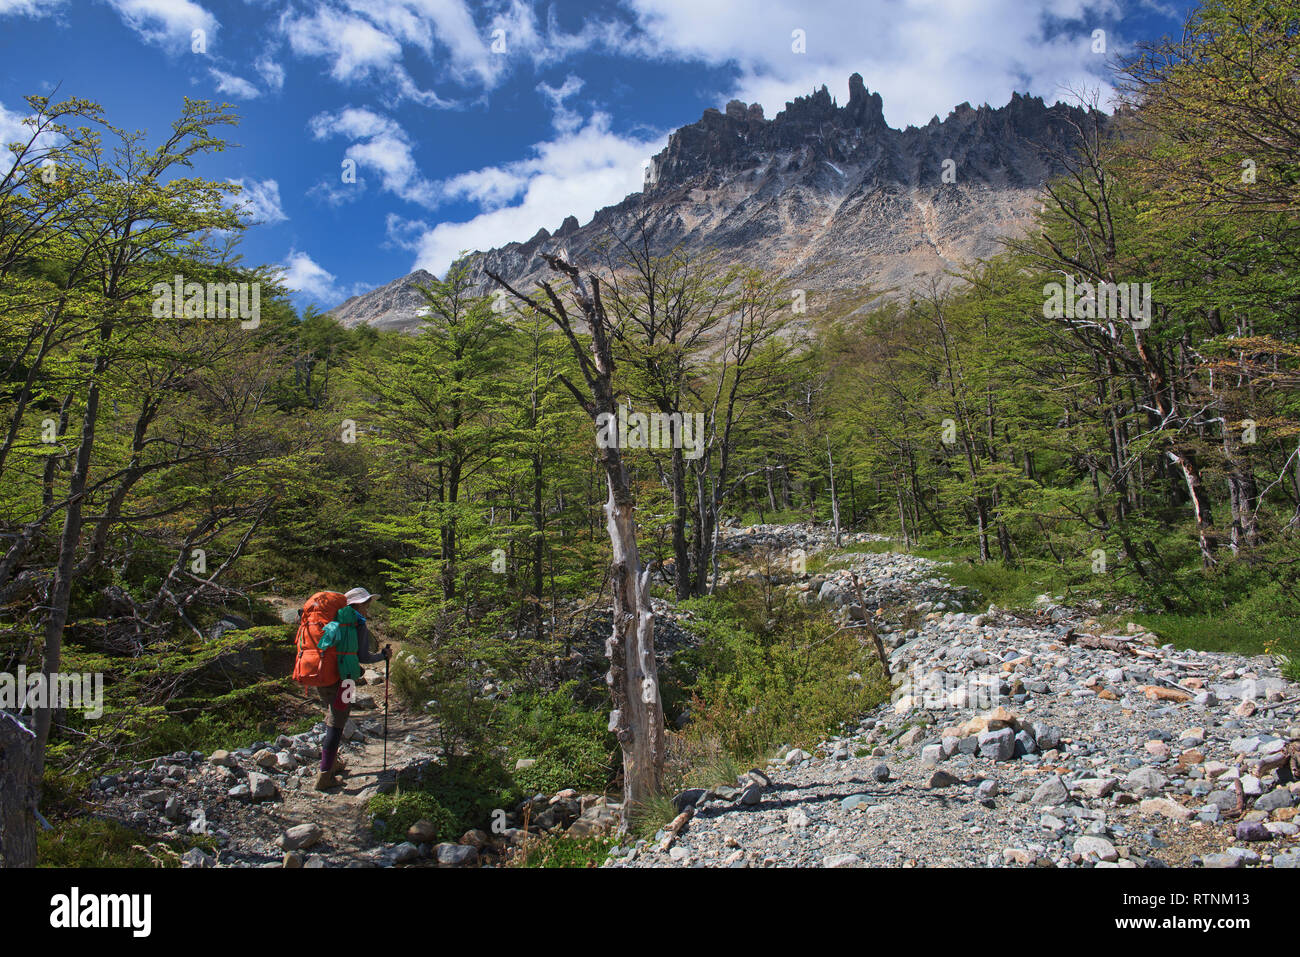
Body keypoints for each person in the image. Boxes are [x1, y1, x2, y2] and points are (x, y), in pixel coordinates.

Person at [314, 587, 390, 791]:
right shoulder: (358, 624)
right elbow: (364, 657)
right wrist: (383, 656)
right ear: (356, 605)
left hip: (321, 674)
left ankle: (332, 761)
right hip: (346, 679)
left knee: (333, 716)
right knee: (338, 721)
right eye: (366, 604)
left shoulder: (332, 619)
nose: (368, 608)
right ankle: (325, 775)